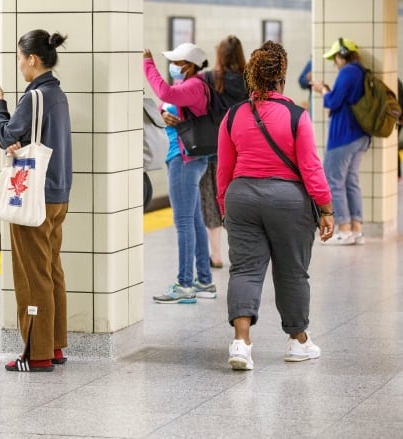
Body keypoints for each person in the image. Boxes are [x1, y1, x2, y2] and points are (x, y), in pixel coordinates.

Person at [217, 41, 334, 371]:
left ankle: (241, 344)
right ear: (281, 77)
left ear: (252, 77)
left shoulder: (233, 115)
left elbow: (224, 170)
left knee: (245, 269)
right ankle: (298, 342)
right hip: (288, 201)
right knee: (292, 270)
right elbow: (311, 167)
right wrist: (326, 209)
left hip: (241, 197)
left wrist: (226, 207)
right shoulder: (296, 115)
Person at [0, 29, 72, 372]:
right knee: (51, 270)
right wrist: (17, 143)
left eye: (21, 59)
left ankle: (34, 354)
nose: (20, 66)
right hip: (57, 194)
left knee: (32, 275)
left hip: (33, 197)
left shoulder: (35, 97)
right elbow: (30, 139)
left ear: (32, 60)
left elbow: (6, 134)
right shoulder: (57, 94)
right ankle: (52, 346)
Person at [143, 42, 216, 304]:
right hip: (188, 158)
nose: (172, 66)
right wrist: (165, 113)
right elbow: (171, 105)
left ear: (188, 65)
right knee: (194, 221)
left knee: (183, 223)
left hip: (184, 160)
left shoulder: (194, 85)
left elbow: (164, 92)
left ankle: (185, 284)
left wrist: (147, 63)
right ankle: (204, 281)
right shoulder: (195, 85)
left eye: (176, 62)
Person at [310, 38, 370, 245]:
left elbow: (333, 102)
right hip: (361, 136)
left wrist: (323, 91)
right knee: (351, 181)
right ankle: (357, 229)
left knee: (333, 180)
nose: (335, 63)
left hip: (344, 135)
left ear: (341, 55)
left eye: (335, 58)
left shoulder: (348, 72)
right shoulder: (362, 71)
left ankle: (343, 228)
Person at [200, 35, 248, 269]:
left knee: (211, 198)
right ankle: (239, 253)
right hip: (242, 149)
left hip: (213, 147)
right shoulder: (250, 80)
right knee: (237, 199)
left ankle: (216, 255)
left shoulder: (209, 78)